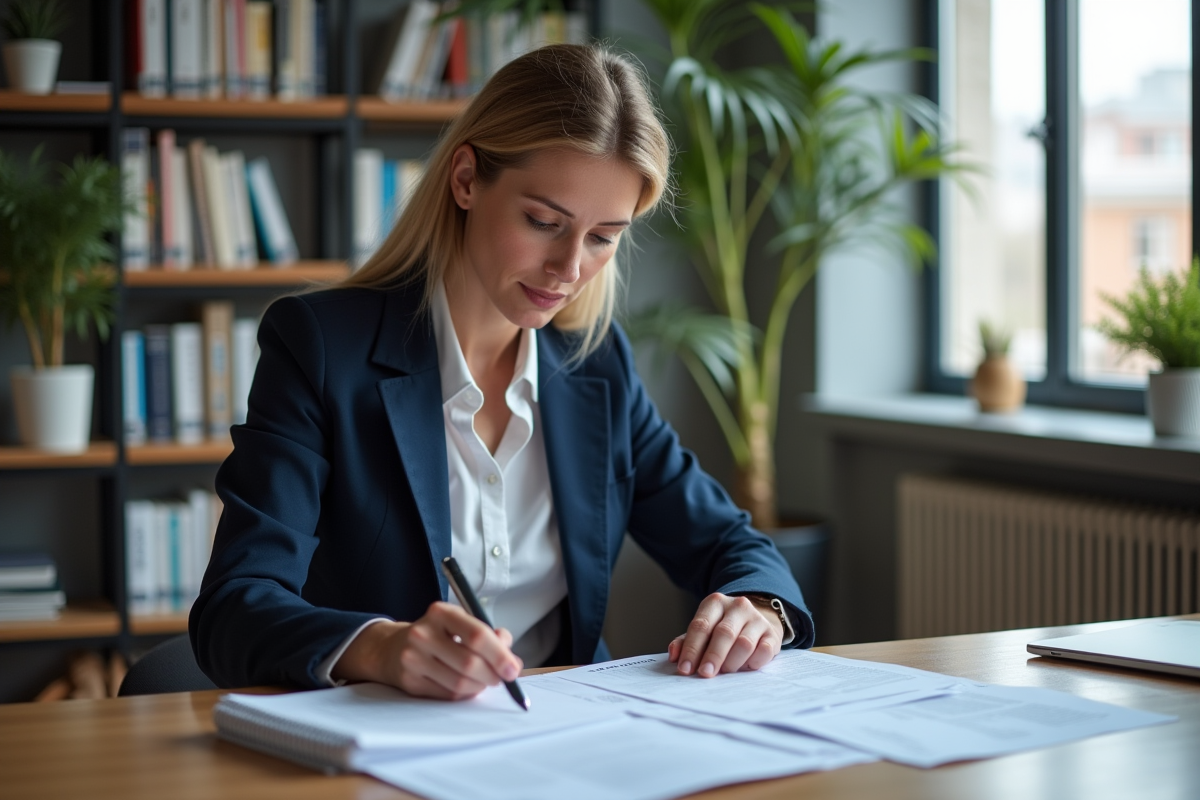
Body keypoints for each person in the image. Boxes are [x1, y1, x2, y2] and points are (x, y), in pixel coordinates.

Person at [190, 43, 814, 699]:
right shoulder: (321, 348)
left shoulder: (594, 367)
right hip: (377, 749)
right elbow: (234, 607)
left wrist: (758, 611)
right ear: (465, 180)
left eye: (604, 236)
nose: (570, 268)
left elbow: (732, 543)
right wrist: (379, 647)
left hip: (562, 742)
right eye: (544, 222)